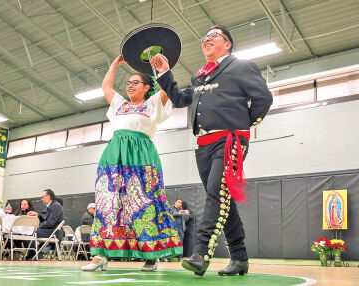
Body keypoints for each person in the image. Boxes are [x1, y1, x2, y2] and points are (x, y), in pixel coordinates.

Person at [151, 25, 273, 276]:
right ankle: (239, 257)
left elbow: (264, 99)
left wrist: (242, 125)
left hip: (230, 141)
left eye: (213, 36)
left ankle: (200, 253)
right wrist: (164, 73)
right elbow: (180, 99)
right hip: (204, 145)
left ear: (227, 44)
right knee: (222, 198)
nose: (206, 39)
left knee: (216, 193)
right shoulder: (200, 75)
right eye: (204, 37)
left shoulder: (242, 66)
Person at [81, 55, 182, 272]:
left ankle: (152, 256)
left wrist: (164, 68)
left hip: (142, 159)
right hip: (113, 159)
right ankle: (101, 255)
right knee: (109, 204)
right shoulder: (119, 105)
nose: (130, 86)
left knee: (146, 203)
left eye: (135, 82)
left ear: (147, 87)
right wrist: (114, 64)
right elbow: (106, 86)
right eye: (128, 83)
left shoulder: (153, 103)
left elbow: (168, 88)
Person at [26, 189, 64, 259]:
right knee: (29, 231)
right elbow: (46, 219)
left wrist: (39, 226)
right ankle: (35, 253)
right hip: (51, 231)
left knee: (30, 232)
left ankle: (34, 253)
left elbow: (50, 223)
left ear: (49, 196)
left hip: (54, 232)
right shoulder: (52, 205)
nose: (41, 199)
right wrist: (36, 215)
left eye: (43, 197)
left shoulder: (55, 206)